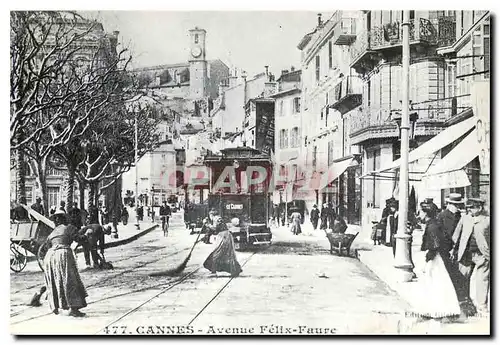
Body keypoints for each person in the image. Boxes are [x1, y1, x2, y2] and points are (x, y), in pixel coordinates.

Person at [409, 202, 460, 319]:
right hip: (437, 257)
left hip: (434, 258)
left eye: (421, 212)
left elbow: (435, 245)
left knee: (434, 283)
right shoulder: (435, 223)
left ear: (426, 213)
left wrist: (428, 258)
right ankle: (435, 309)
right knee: (437, 282)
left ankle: (437, 310)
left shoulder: (432, 226)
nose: (419, 214)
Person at [43, 209, 87, 317]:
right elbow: (78, 239)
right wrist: (86, 235)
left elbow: (46, 246)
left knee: (55, 280)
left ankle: (56, 306)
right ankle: (74, 308)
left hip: (50, 256)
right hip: (63, 254)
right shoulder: (69, 228)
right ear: (65, 218)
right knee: (70, 280)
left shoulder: (53, 232)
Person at [452, 198, 490, 317]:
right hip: (465, 254)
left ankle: (482, 307)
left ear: (480, 207)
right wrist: (453, 249)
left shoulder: (488, 219)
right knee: (463, 279)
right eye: (468, 207)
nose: (469, 210)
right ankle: (465, 304)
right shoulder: (465, 218)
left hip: (482, 255)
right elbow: (456, 235)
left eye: (472, 207)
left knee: (482, 281)